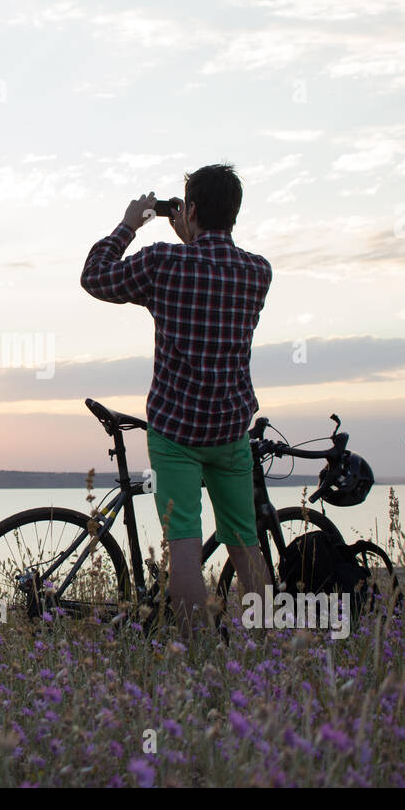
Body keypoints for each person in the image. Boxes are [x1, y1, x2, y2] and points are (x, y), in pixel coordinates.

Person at [80, 164, 273, 637]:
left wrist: (130, 223)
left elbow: (95, 276)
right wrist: (195, 237)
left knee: (183, 542)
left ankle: (197, 650)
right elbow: (211, 276)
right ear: (235, 212)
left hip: (177, 431)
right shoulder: (257, 272)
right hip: (229, 428)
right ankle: (272, 651)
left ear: (190, 209)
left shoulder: (163, 263)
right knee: (245, 542)